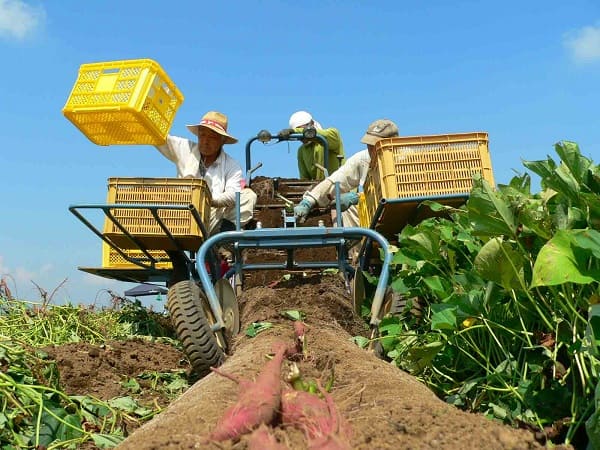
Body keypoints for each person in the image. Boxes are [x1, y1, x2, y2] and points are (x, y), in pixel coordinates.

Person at [155, 111, 257, 236]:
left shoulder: (232, 165)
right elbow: (159, 138)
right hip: (181, 215)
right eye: (202, 135)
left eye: (212, 137)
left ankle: (223, 240)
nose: (205, 141)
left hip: (211, 220)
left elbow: (233, 195)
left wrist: (207, 198)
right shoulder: (185, 148)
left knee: (248, 196)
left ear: (222, 140)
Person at [293, 119, 399, 227]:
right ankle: (357, 242)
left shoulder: (406, 159)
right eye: (369, 144)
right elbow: (336, 180)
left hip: (399, 215)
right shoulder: (362, 159)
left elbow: (394, 197)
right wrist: (309, 201)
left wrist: (357, 197)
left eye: (375, 144)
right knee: (346, 206)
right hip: (375, 216)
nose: (370, 148)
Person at [278, 110, 345, 181]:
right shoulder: (301, 151)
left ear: (312, 124)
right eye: (298, 136)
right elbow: (305, 179)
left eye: (302, 133)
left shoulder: (332, 135)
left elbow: (325, 136)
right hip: (321, 190)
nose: (301, 138)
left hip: (342, 188)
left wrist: (295, 131)